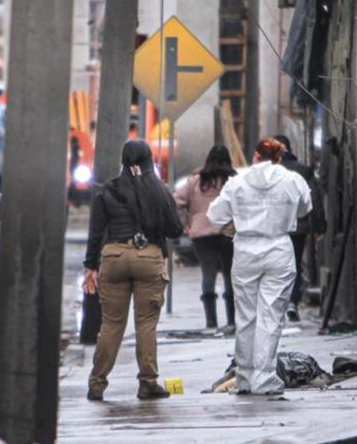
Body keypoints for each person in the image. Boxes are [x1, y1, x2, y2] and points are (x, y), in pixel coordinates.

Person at [208, 138, 312, 395]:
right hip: (278, 248)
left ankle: (244, 377)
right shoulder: (292, 180)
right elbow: (304, 208)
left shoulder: (238, 182)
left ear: (255, 156)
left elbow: (215, 215)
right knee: (271, 315)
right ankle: (265, 378)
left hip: (246, 249)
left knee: (246, 316)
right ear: (279, 157)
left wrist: (239, 218)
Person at [83, 139, 184, 401]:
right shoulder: (158, 190)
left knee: (112, 324)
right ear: (149, 160)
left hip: (114, 256)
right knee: (146, 324)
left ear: (123, 160)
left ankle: (97, 383)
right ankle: (148, 382)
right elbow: (176, 229)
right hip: (148, 258)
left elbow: (95, 234)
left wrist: (90, 267)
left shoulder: (107, 191)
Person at [174, 145, 237, 333]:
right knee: (230, 276)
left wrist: (186, 223)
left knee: (208, 274)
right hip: (228, 232)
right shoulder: (233, 181)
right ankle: (232, 321)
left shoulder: (195, 181)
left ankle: (211, 323)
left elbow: (178, 201)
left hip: (201, 233)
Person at [273, 134, 324, 322]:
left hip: (269, 228)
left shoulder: (264, 173)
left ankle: (276, 303)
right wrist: (319, 225)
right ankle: (292, 302)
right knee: (293, 265)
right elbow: (313, 199)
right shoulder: (302, 171)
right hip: (297, 226)